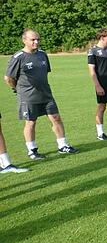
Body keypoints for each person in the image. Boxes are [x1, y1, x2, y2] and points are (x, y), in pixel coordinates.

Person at [4, 29, 79, 159]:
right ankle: (32, 150)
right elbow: (8, 78)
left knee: (56, 117)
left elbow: (44, 73)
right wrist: (18, 89)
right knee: (31, 122)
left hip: (46, 94)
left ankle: (63, 145)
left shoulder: (43, 54)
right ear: (24, 40)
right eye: (33, 39)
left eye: (38, 39)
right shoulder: (18, 57)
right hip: (28, 96)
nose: (36, 42)